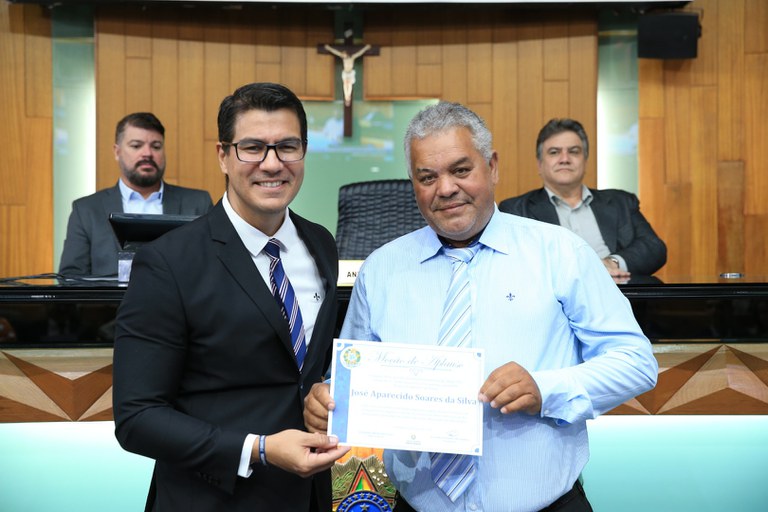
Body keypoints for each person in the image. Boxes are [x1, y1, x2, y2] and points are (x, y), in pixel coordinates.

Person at [304, 102, 658, 511]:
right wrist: (328, 398)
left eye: (461, 170)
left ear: (492, 167)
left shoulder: (561, 253)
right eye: (427, 177)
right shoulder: (381, 270)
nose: (445, 189)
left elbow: (635, 363)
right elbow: (352, 379)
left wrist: (545, 388)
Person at [113, 83, 349, 512]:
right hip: (211, 498)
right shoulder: (168, 262)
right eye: (253, 147)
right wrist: (259, 449)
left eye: (287, 146)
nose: (272, 163)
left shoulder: (321, 243)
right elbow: (137, 418)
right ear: (223, 155)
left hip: (308, 497)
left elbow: (304, 370)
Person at [498, 118, 666, 278]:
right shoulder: (516, 210)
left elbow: (654, 248)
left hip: (617, 292)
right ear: (540, 164)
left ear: (585, 161)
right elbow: (518, 262)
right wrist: (586, 269)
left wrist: (612, 262)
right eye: (554, 152)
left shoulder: (620, 202)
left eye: (574, 151)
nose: (565, 159)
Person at [59, 112, 213, 277]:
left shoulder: (198, 204)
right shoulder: (86, 210)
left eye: (156, 146)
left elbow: (214, 268)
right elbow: (71, 277)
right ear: (117, 152)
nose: (147, 153)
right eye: (136, 146)